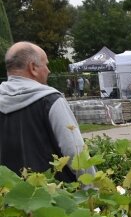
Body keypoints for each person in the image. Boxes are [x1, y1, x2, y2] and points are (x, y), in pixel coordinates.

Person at [0, 42, 95, 183]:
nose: (49, 70)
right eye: (46, 64)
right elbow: (75, 153)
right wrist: (92, 190)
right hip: (53, 195)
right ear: (33, 68)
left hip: (9, 195)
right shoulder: (50, 100)